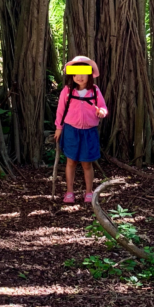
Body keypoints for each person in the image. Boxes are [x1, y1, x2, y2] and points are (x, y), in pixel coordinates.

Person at [54, 56, 108, 203]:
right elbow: (60, 110)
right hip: (71, 130)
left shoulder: (94, 91)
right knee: (71, 161)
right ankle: (70, 192)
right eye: (76, 73)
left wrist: (101, 113)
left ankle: (89, 192)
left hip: (89, 131)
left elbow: (103, 107)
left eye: (83, 73)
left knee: (87, 163)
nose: (80, 77)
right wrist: (59, 128)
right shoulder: (67, 91)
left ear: (89, 74)